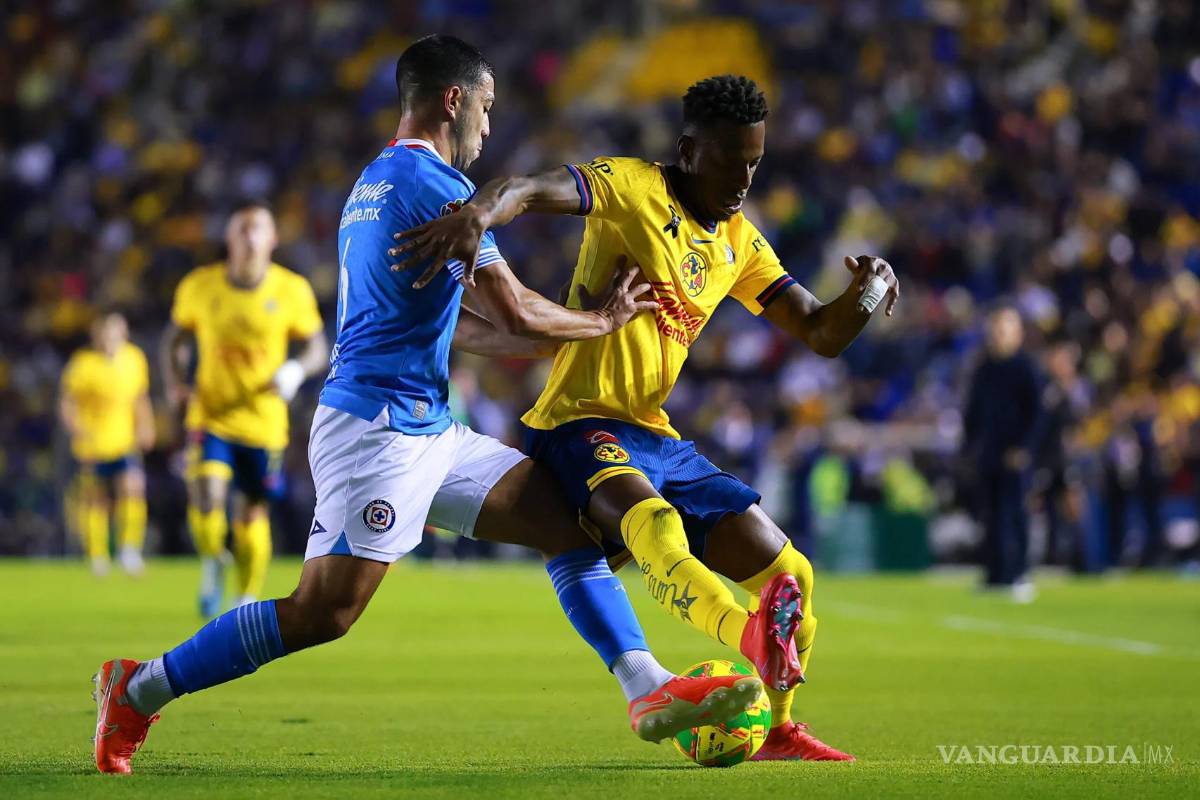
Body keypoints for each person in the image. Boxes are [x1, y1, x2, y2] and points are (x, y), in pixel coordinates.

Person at [93, 36, 788, 775]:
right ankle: (135, 689)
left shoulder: (373, 182)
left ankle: (647, 688)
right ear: (453, 101)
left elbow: (464, 326)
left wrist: (552, 339)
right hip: (377, 431)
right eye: (486, 109)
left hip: (425, 425)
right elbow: (517, 311)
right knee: (323, 612)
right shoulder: (435, 186)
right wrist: (601, 323)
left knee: (567, 524)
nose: (489, 129)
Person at [392, 73, 903, 761]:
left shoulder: (740, 244)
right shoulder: (632, 188)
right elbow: (527, 187)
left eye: (755, 162)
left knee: (794, 574)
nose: (744, 178)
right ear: (690, 151)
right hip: (576, 422)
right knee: (656, 527)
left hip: (654, 433)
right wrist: (480, 213)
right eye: (731, 162)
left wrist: (869, 294)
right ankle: (746, 633)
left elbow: (822, 333)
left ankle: (779, 726)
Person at [160, 203, 329, 616]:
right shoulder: (200, 286)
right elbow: (173, 341)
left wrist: (293, 370)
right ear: (230, 238)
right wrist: (175, 384)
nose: (249, 237)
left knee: (252, 510)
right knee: (206, 497)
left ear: (272, 239)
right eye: (242, 229)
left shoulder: (291, 290)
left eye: (258, 230)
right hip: (211, 415)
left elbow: (317, 348)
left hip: (263, 421)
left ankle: (244, 597)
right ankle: (213, 558)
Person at [59, 311, 155, 576]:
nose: (110, 338)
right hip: (93, 442)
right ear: (96, 335)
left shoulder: (134, 358)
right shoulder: (83, 363)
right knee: (96, 498)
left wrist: (146, 425)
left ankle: (129, 550)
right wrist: (76, 429)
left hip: (124, 440)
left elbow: (139, 397)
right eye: (105, 332)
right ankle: (97, 554)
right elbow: (68, 402)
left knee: (133, 488)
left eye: (115, 332)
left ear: (123, 334)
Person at [963, 306, 1042, 601]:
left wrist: (1024, 448)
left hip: (1015, 454)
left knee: (1015, 514)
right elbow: (973, 411)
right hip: (989, 453)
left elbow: (1036, 413)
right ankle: (995, 574)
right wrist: (970, 445)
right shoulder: (984, 368)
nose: (998, 336)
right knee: (991, 515)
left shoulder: (1026, 368)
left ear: (1018, 334)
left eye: (1004, 330)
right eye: (995, 330)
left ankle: (1019, 573)